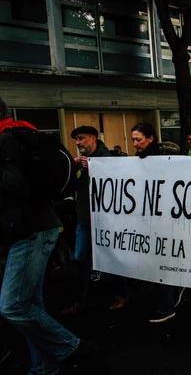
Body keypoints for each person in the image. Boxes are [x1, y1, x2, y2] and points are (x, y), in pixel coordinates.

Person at [0, 97, 88, 375]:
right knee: (30, 304)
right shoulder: (18, 136)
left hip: (32, 231)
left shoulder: (7, 142)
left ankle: (70, 345)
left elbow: (19, 188)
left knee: (13, 306)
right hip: (34, 228)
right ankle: (44, 367)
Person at [131, 123, 185, 322]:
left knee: (161, 261)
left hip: (166, 217)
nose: (135, 144)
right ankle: (174, 291)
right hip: (152, 218)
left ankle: (166, 307)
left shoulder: (166, 155)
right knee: (160, 261)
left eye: (139, 139)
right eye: (133, 140)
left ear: (151, 138)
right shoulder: (138, 160)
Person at [61, 126, 115, 315]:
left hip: (105, 220)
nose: (78, 143)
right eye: (76, 139)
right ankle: (80, 301)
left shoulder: (106, 158)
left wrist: (94, 167)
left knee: (110, 258)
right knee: (81, 259)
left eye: (81, 138)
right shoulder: (79, 163)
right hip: (85, 217)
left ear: (94, 138)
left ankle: (117, 296)